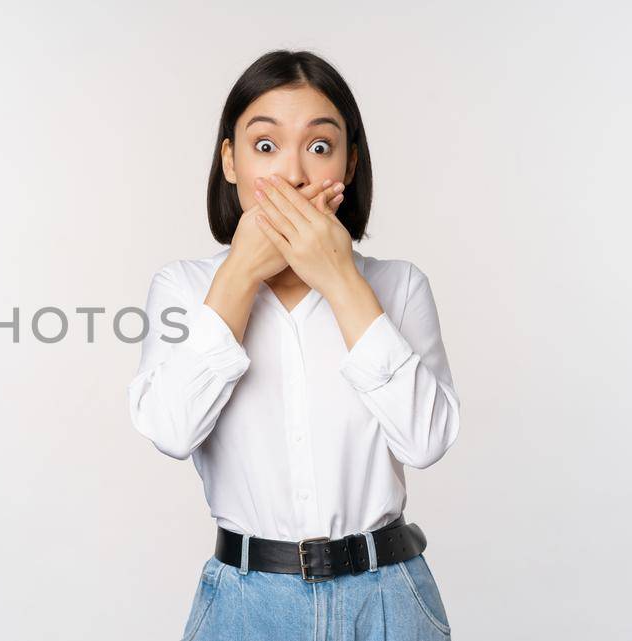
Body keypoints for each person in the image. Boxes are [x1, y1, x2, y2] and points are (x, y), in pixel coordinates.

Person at [126, 49, 462, 641]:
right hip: (245, 602)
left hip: (387, 598)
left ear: (349, 164)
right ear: (229, 161)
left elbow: (426, 440)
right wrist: (239, 273)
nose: (294, 175)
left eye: (318, 146)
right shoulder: (182, 288)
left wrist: (338, 279)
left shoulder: (398, 285)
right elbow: (171, 431)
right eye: (264, 146)